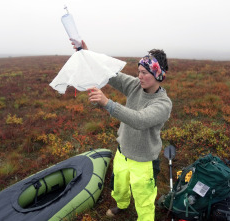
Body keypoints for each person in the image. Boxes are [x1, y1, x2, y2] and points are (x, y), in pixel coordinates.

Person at [72, 40, 172, 221]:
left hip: (144, 161)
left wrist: (107, 103)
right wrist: (87, 54)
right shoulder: (135, 85)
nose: (139, 76)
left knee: (144, 198)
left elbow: (140, 120)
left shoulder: (163, 104)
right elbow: (109, 74)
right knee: (119, 186)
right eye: (139, 72)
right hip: (123, 152)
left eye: (144, 72)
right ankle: (122, 205)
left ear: (157, 75)